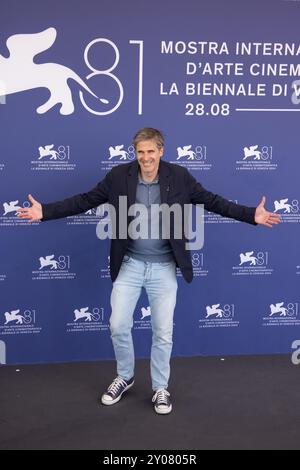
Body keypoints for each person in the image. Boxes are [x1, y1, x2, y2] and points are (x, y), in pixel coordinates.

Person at [17, 128, 281, 415]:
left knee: (163, 332)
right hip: (130, 264)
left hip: (164, 268)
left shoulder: (179, 177)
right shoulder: (119, 176)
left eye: (151, 151)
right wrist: (46, 212)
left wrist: (250, 215)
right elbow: (84, 200)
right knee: (118, 325)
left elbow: (213, 201)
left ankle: (159, 388)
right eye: (140, 152)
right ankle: (125, 377)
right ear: (135, 152)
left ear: (161, 151)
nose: (145, 158)